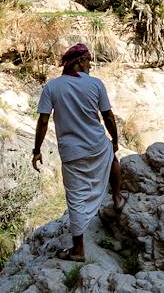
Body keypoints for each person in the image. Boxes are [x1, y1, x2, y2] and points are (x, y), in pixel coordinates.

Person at [32, 43, 124, 261]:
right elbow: (108, 116)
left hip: (71, 152)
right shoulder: (96, 84)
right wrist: (114, 140)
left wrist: (37, 150)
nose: (90, 65)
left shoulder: (52, 87)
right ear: (80, 61)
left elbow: (43, 121)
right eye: (88, 61)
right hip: (97, 144)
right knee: (112, 159)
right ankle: (117, 196)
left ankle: (78, 250)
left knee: (75, 198)